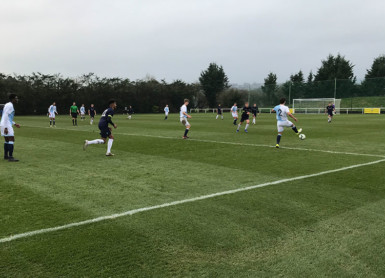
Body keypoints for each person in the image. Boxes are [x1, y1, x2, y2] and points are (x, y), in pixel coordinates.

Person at [1, 94, 21, 162]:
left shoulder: (7, 104)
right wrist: (6, 127)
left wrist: (14, 124)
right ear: (12, 99)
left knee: (7, 140)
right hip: (6, 124)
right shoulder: (10, 105)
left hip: (3, 123)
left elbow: (7, 116)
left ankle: (6, 156)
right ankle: (11, 157)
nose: (17, 99)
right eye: (16, 98)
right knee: (11, 139)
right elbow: (6, 115)